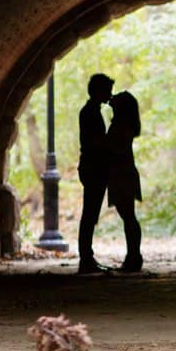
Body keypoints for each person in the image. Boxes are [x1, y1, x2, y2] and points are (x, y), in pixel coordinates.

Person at [77, 73, 114, 274]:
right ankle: (86, 258)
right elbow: (94, 142)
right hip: (93, 168)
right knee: (89, 214)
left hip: (91, 167)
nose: (110, 94)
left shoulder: (91, 111)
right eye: (107, 90)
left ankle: (87, 257)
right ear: (98, 91)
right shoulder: (90, 113)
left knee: (90, 214)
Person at [106, 91, 144, 272]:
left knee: (128, 217)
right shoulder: (125, 124)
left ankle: (134, 257)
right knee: (129, 217)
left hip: (122, 174)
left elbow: (115, 148)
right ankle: (133, 256)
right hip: (124, 173)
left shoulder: (121, 126)